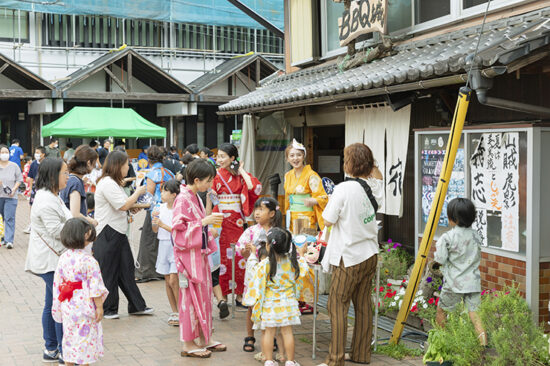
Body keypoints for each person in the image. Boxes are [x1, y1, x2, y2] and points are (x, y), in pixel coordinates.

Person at [318, 143, 383, 366]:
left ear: (348, 163)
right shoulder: (373, 187)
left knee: (336, 305)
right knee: (363, 304)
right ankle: (361, 354)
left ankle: (335, 359)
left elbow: (328, 219)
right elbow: (378, 177)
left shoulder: (343, 189)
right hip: (370, 253)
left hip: (349, 256)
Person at [173, 158, 227, 358]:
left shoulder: (193, 196)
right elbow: (178, 234)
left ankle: (205, 337)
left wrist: (207, 228)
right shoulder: (182, 199)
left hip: (198, 256)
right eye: (208, 181)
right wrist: (204, 222)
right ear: (197, 180)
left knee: (203, 298)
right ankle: (188, 343)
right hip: (188, 259)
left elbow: (193, 225)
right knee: (189, 299)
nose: (210, 185)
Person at [93, 150, 152, 319]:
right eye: (126, 165)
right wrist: (138, 193)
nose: (128, 168)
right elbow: (122, 205)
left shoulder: (113, 183)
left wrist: (135, 206)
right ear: (118, 166)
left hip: (117, 231)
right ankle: (109, 308)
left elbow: (124, 205)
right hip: (107, 231)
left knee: (126, 269)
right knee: (109, 271)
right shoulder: (107, 183)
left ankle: (137, 305)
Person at [24, 157, 71, 364]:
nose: (68, 177)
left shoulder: (53, 195)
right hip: (51, 260)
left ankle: (51, 348)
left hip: (54, 259)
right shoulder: (46, 200)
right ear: (53, 175)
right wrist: (82, 230)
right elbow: (56, 230)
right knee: (60, 305)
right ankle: (63, 350)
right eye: (65, 173)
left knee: (52, 303)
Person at [244, 227, 308, 366]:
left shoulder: (265, 264)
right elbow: (303, 270)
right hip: (288, 303)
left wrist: (253, 255)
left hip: (270, 304)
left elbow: (256, 279)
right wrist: (302, 254)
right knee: (287, 333)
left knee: (268, 333)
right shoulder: (292, 262)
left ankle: (268, 360)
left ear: (268, 246)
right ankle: (290, 361)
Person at [52, 218, 108, 366]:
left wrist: (58, 304)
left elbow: (57, 282)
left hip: (68, 303)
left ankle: (68, 362)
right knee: (85, 341)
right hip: (84, 304)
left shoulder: (64, 257)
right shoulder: (89, 260)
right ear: (84, 235)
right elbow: (95, 287)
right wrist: (100, 307)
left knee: (70, 339)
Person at [211, 143, 261, 304]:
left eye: (223, 156)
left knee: (239, 256)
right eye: (218, 156)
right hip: (220, 219)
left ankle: (240, 293)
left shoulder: (240, 175)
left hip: (237, 220)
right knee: (222, 258)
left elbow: (254, 187)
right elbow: (211, 196)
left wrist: (241, 170)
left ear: (232, 158)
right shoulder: (215, 174)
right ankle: (223, 295)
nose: (219, 159)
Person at [434, 197, 487, 346]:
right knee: (476, 317)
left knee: (442, 311)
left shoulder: (447, 237)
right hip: (473, 282)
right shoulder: (476, 235)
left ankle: (442, 344)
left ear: (453, 218)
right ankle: (483, 348)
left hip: (454, 283)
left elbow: (441, 259)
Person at [236, 197, 283, 353]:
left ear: (271, 213)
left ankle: (271, 336)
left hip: (272, 274)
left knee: (271, 306)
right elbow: (240, 250)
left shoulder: (278, 232)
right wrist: (245, 252)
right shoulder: (250, 231)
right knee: (251, 304)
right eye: (256, 209)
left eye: (261, 209)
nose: (257, 213)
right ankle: (250, 336)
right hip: (254, 275)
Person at [135, 145, 175, 283]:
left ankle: (145, 272)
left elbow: (149, 195)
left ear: (148, 159)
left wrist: (137, 205)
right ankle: (162, 270)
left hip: (155, 211)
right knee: (163, 241)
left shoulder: (152, 174)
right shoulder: (170, 173)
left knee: (148, 240)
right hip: (169, 210)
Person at [151, 179, 180, 327]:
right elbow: (155, 230)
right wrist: (155, 223)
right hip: (163, 245)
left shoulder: (179, 210)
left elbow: (178, 231)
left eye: (164, 191)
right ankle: (174, 311)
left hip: (175, 246)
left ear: (174, 194)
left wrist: (161, 224)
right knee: (167, 281)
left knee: (174, 280)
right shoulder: (160, 208)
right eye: (161, 191)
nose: (161, 193)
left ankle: (181, 311)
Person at [284, 139, 328, 233]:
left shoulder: (311, 176)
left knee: (305, 243)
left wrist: (314, 200)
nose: (295, 158)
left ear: (303, 156)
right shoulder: (287, 175)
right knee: (293, 243)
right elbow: (287, 198)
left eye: (299, 155)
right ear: (287, 158)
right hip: (291, 215)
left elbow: (324, 196)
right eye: (292, 155)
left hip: (306, 216)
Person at [59, 145, 99, 227]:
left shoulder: (71, 179)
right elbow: (75, 213)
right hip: (74, 229)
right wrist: (92, 221)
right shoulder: (76, 183)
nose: (95, 166)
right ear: (88, 163)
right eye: (94, 163)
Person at [0, 144, 23, 249]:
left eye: (6, 152)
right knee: (1, 219)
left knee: (9, 218)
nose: (4, 154)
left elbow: (19, 179)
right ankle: (2, 238)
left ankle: (9, 240)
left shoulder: (14, 166)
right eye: (2, 152)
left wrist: (14, 189)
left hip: (11, 196)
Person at [24, 146, 46, 234]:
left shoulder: (47, 163)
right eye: (35, 152)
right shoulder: (33, 164)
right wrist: (29, 189)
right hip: (35, 188)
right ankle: (32, 224)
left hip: (45, 188)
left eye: (38, 152)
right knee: (32, 205)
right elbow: (31, 177)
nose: (36, 154)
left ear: (43, 154)